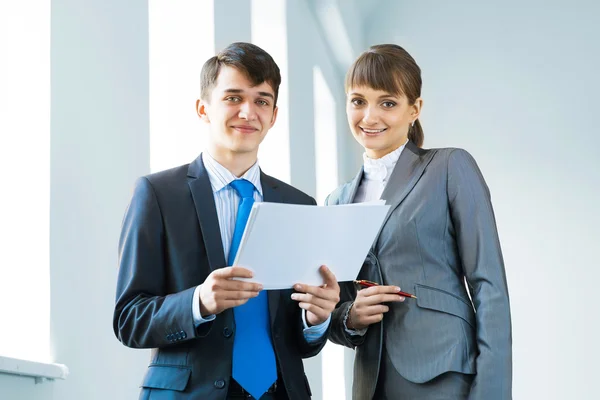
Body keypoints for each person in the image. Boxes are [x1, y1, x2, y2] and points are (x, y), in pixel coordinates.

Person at [113, 42, 340, 400]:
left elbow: (299, 341)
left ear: (274, 116)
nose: (248, 112)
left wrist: (317, 319)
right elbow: (129, 319)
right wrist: (199, 301)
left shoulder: (299, 205)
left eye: (262, 101)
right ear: (203, 108)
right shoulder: (158, 194)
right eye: (233, 98)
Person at [327, 44, 512, 400]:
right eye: (358, 101)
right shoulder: (336, 202)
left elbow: (489, 286)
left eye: (388, 103)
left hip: (444, 374)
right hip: (372, 383)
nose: (369, 116)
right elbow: (332, 312)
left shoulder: (449, 168)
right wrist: (351, 315)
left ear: (414, 109)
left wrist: (492, 393)